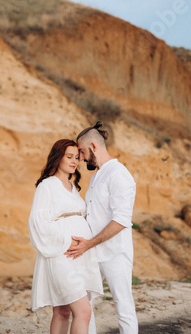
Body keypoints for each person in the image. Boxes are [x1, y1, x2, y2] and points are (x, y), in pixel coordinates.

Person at [65, 121, 138, 334]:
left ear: (94, 146)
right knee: (84, 305)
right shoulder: (97, 176)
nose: (80, 157)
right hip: (93, 252)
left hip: (116, 252)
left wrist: (90, 243)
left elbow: (121, 220)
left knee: (123, 306)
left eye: (81, 151)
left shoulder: (119, 174)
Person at [29, 139, 103, 334]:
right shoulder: (47, 186)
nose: (74, 162)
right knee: (84, 311)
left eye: (77, 158)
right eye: (69, 157)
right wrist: (67, 240)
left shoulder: (72, 187)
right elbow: (38, 222)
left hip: (79, 255)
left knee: (62, 311)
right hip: (61, 253)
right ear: (58, 157)